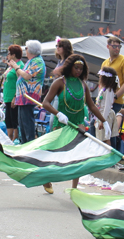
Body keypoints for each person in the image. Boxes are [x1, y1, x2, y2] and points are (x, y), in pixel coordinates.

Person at [42, 54, 109, 191]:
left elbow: (91, 106)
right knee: (57, 155)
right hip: (62, 123)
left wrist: (104, 121)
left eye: (81, 68)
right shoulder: (59, 82)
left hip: (78, 123)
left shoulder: (83, 85)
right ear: (69, 67)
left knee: (78, 156)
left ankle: (74, 188)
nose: (78, 71)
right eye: (76, 67)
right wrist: (58, 114)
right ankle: (47, 178)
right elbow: (45, 103)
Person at [11, 40, 45, 144]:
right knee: (22, 123)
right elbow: (21, 76)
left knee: (27, 123)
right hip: (23, 96)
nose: (25, 50)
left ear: (31, 49)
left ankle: (29, 144)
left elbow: (26, 76)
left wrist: (16, 67)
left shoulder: (37, 61)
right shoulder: (31, 61)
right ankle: (24, 143)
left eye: (26, 48)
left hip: (29, 96)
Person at [101, 36, 124, 108]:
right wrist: (99, 97)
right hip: (104, 100)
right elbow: (101, 82)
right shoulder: (105, 63)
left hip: (117, 102)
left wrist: (115, 96)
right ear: (108, 46)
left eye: (119, 47)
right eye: (114, 46)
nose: (117, 49)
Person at [1, 44, 23, 141]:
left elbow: (20, 82)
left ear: (14, 55)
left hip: (13, 97)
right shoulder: (10, 66)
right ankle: (9, 138)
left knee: (14, 120)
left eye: (9, 53)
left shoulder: (20, 65)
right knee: (8, 119)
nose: (7, 55)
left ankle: (15, 139)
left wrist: (15, 96)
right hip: (7, 97)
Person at [95, 66, 119, 149]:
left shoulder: (109, 90)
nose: (99, 77)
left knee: (105, 138)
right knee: (101, 137)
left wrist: (103, 120)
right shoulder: (104, 89)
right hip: (101, 115)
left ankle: (107, 154)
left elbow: (107, 106)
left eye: (101, 76)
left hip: (105, 116)